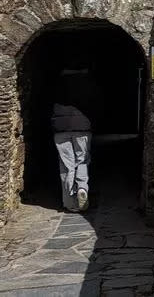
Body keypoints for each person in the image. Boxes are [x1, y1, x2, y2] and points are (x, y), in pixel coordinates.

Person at [52, 69, 94, 212]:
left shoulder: (56, 84)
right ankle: (82, 188)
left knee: (66, 165)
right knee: (82, 160)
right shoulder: (88, 85)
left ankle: (69, 201)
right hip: (82, 126)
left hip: (60, 128)